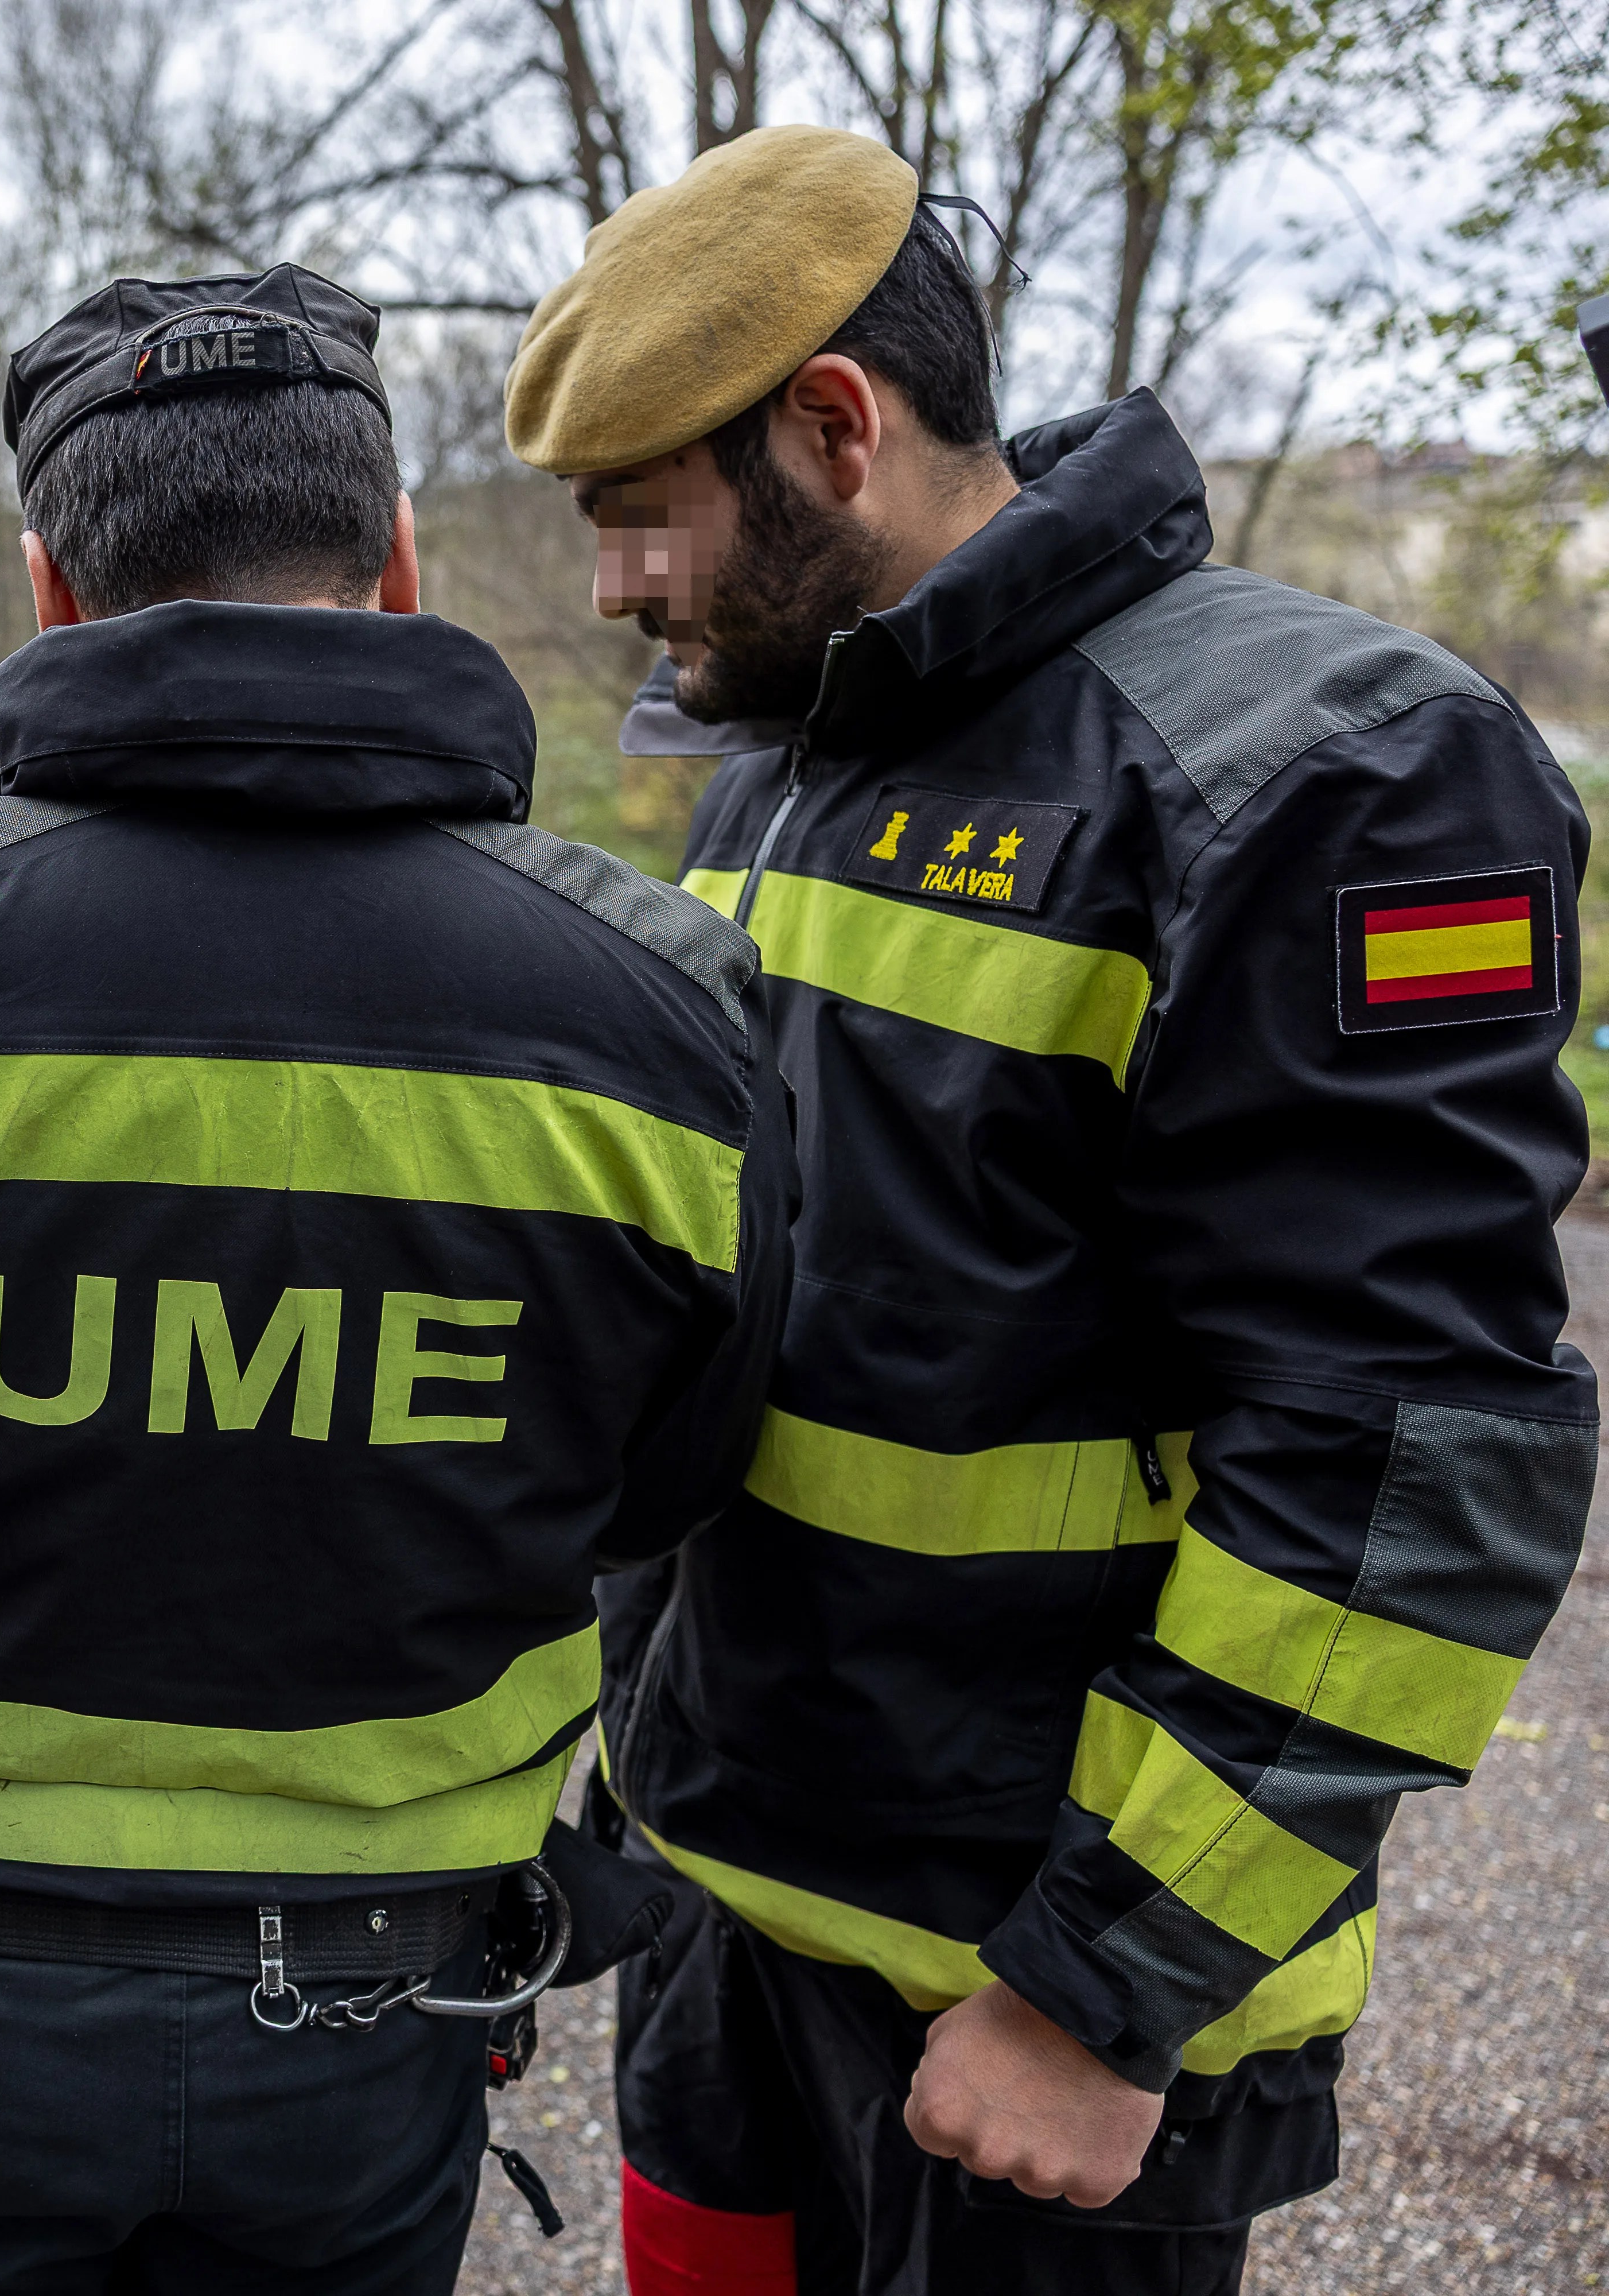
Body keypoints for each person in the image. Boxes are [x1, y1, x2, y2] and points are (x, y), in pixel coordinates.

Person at [0, 262, 799, 2291]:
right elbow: (667, 1486)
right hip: (386, 1999)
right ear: (403, 563)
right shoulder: (666, 1005)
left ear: (48, 588)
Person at [502, 124, 1596, 2295]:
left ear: (836, 425)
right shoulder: (792, 745)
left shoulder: (1328, 772)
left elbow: (1406, 1461)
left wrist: (1103, 1987)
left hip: (1026, 2003)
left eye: (645, 517)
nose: (621, 588)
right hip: (733, 1912)